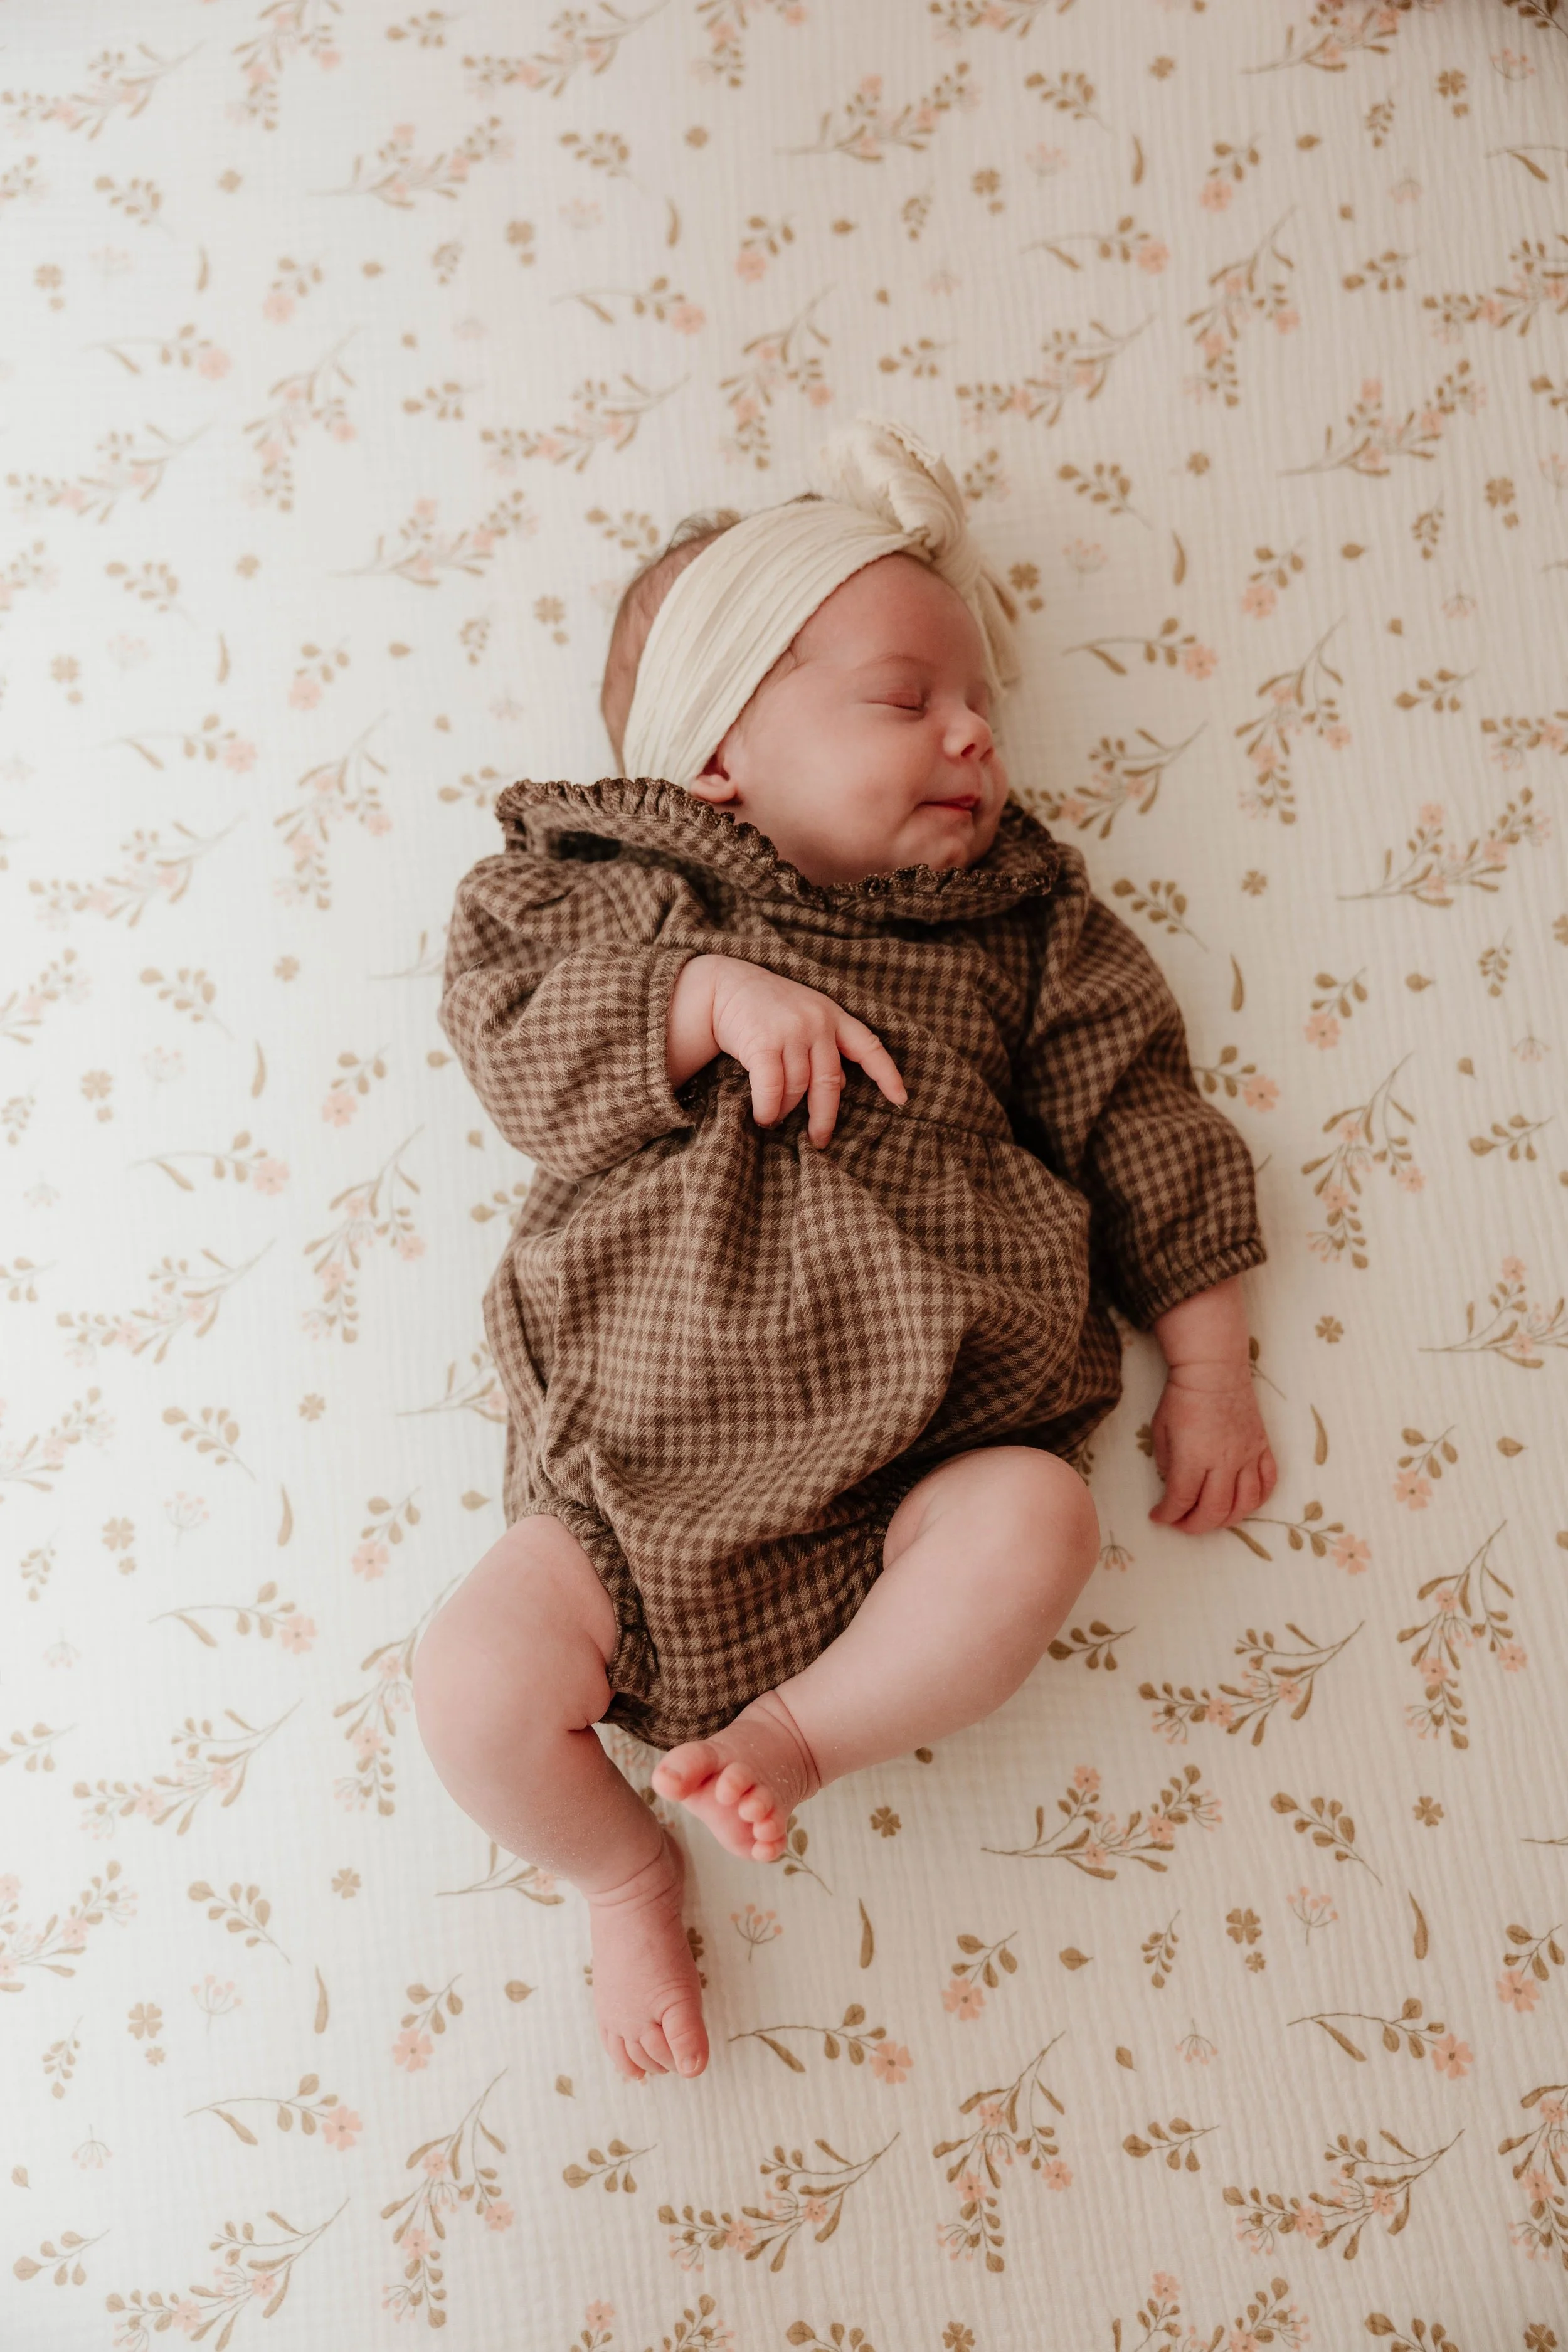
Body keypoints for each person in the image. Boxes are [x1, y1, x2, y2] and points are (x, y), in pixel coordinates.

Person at [411, 413, 1276, 2089]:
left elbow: (1139, 1116)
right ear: (715, 751)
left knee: (1036, 1520)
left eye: (982, 710)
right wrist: (696, 1001)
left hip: (918, 1463)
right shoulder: (600, 889)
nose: (970, 734)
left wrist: (1215, 1364)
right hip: (629, 1500)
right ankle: (620, 1865)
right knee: (469, 1685)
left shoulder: (1022, 928)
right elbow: (507, 1035)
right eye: (903, 697)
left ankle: (797, 1736)